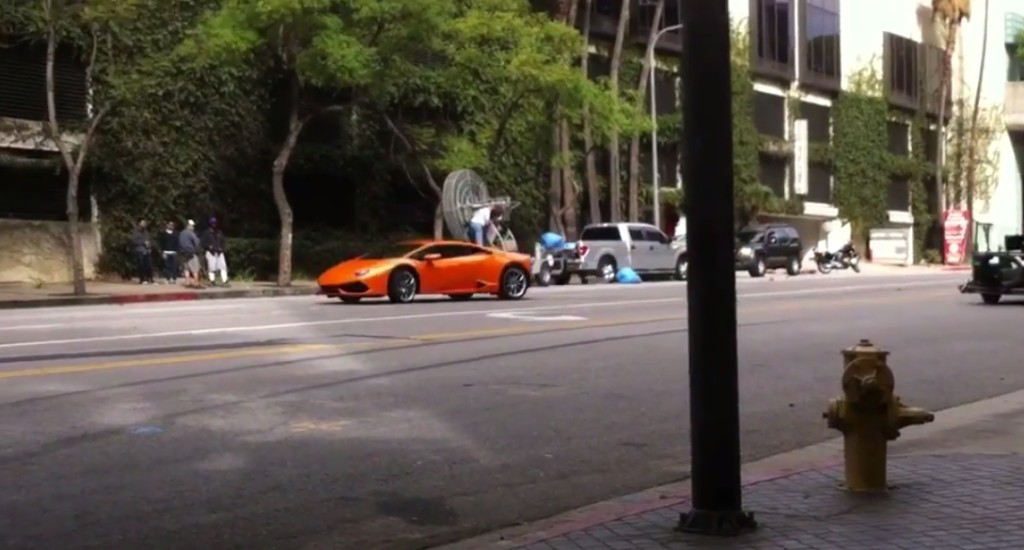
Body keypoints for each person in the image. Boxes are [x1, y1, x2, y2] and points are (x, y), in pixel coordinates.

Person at [201, 216, 229, 286]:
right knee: (211, 267)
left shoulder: (219, 232)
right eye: (212, 223)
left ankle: (225, 281)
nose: (214, 225)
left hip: (219, 252)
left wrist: (222, 248)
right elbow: (202, 243)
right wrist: (208, 246)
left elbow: (223, 241)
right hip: (211, 252)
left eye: (215, 223)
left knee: (223, 267)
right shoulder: (206, 233)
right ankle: (212, 281)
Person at [178, 219, 202, 288]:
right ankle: (196, 283)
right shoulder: (191, 233)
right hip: (191, 253)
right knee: (195, 269)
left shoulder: (181, 233)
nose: (193, 227)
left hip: (183, 253)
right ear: (189, 226)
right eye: (192, 226)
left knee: (186, 269)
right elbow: (197, 242)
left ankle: (187, 283)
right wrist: (198, 250)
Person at [130, 219, 154, 284]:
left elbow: (149, 240)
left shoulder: (146, 232)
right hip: (139, 251)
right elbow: (133, 241)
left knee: (149, 265)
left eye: (145, 223)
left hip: (146, 251)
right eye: (142, 223)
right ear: (139, 224)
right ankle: (142, 279)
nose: (144, 224)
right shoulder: (135, 232)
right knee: (141, 266)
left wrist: (149, 246)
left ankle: (150, 279)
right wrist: (143, 242)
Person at [159, 220, 180, 284]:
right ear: (167, 225)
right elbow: (161, 243)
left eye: (172, 225)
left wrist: (177, 251)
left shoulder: (176, 233)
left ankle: (173, 278)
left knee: (174, 266)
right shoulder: (164, 234)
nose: (171, 226)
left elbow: (177, 243)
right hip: (166, 252)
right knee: (167, 266)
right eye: (170, 225)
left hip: (174, 252)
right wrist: (162, 252)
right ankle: (168, 278)